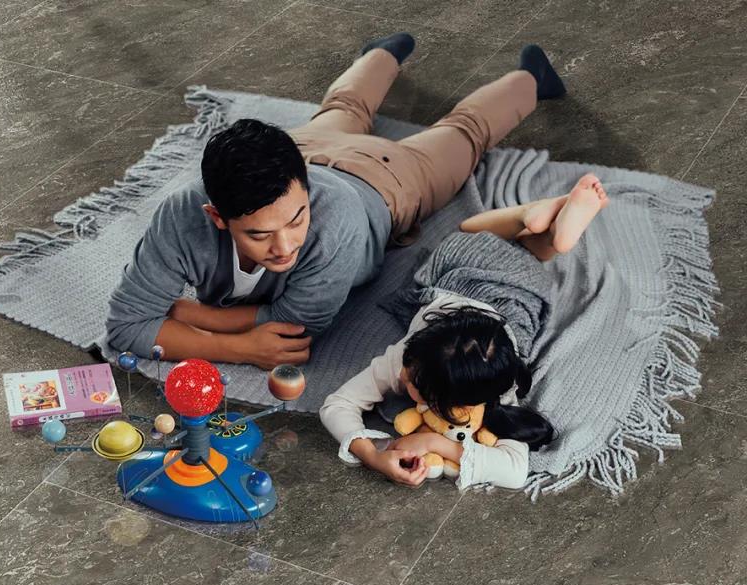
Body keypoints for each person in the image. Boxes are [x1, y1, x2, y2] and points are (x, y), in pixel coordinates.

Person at [105, 34, 568, 369]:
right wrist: (239, 348)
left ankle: (533, 77)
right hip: (306, 150)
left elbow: (293, 329)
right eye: (260, 235)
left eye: (297, 220)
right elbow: (126, 327)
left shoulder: (335, 221)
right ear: (216, 216)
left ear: (305, 191)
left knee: (463, 132)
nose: (285, 247)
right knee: (342, 110)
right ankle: (381, 53)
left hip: (388, 178)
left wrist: (193, 316)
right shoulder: (183, 216)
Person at [319, 174, 610, 490]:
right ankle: (541, 227)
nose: (402, 377)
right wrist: (373, 457)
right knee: (479, 235)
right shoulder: (414, 355)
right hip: (482, 277)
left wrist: (435, 442)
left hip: (511, 283)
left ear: (461, 404)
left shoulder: (490, 384)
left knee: (482, 235)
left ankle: (540, 226)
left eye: (414, 385)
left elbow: (515, 472)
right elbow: (337, 405)